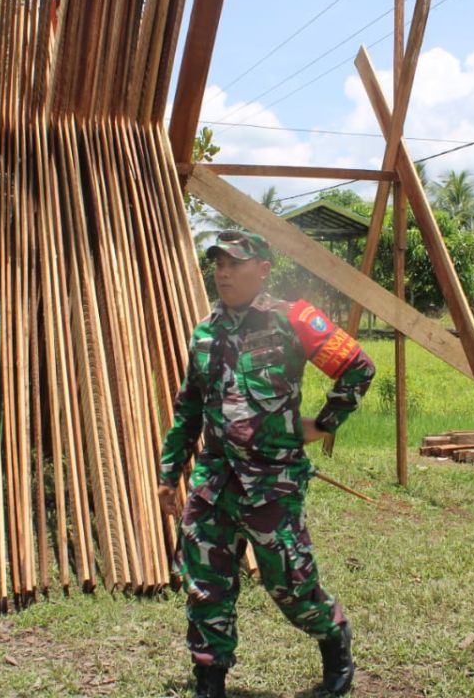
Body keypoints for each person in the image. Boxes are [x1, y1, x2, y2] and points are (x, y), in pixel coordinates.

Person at [157, 230, 375, 698]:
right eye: (218, 263)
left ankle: (334, 638)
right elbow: (188, 410)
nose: (224, 272)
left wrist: (325, 423)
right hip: (213, 482)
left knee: (290, 584)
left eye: (235, 263)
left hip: (271, 483)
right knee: (204, 584)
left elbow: (359, 366)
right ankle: (209, 679)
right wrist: (168, 474)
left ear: (262, 269)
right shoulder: (205, 332)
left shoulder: (293, 319)